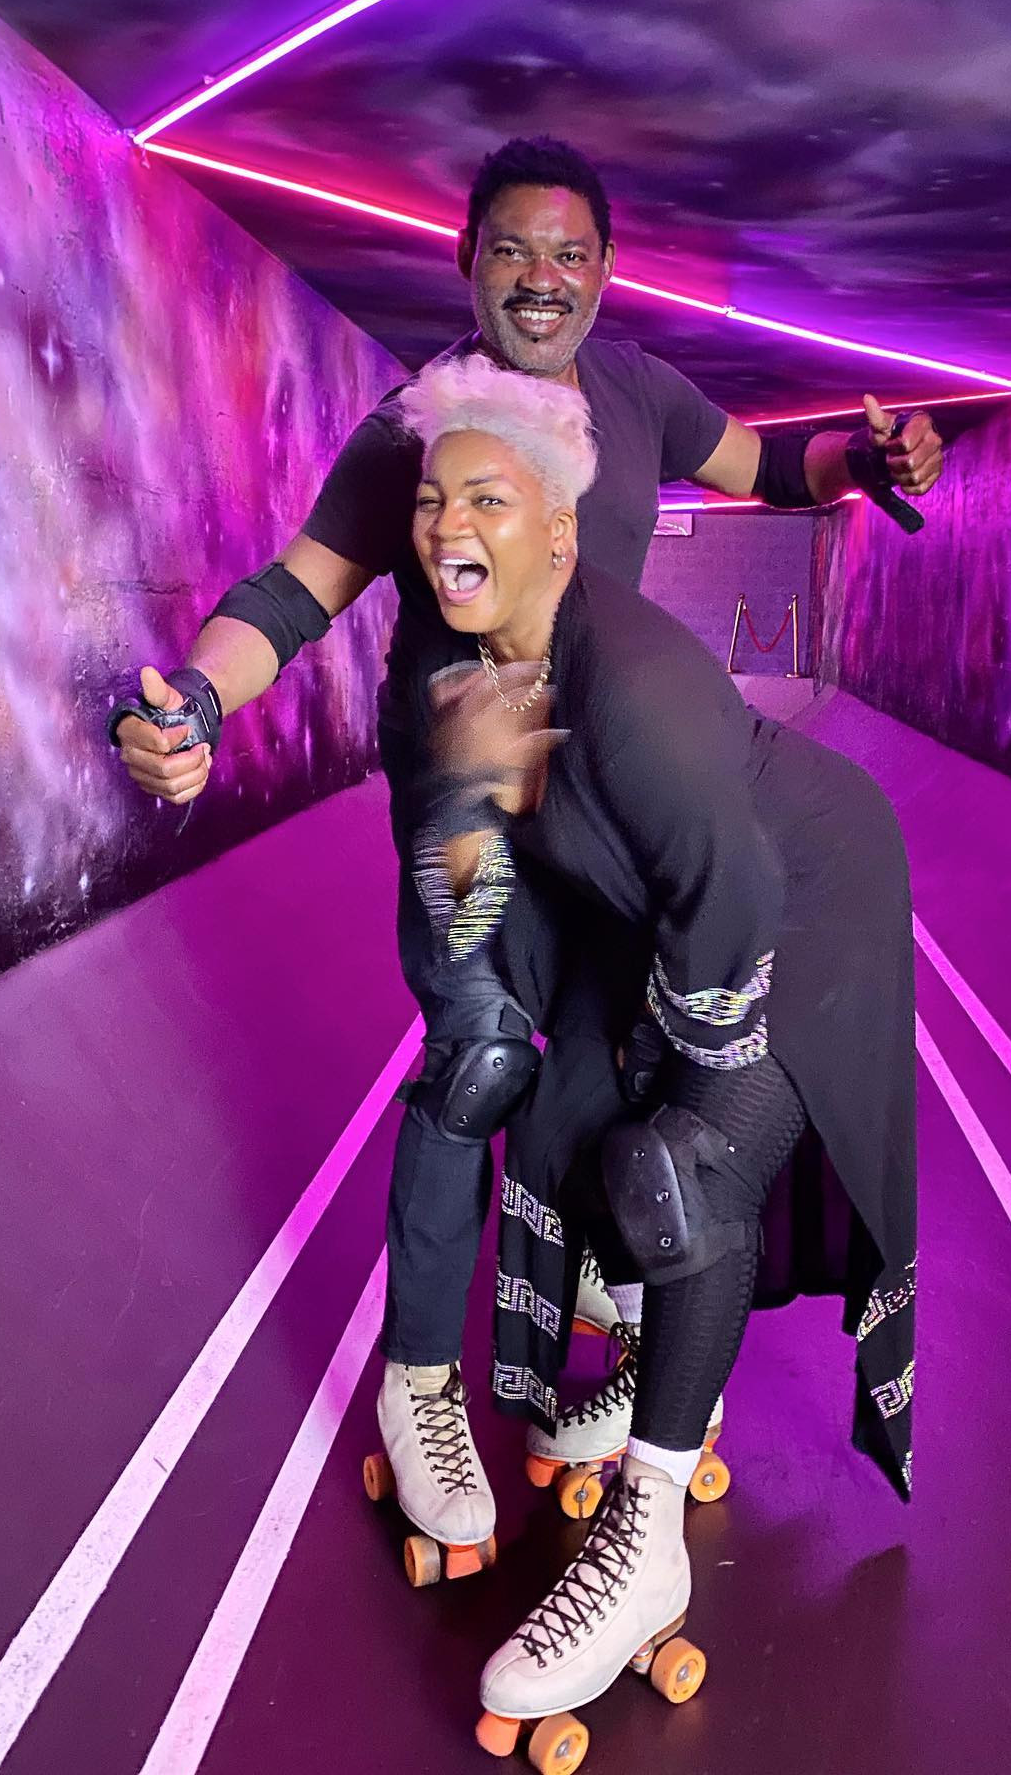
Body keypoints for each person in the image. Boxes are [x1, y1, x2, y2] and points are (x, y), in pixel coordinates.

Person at [107, 137, 936, 1569]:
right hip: (473, 788)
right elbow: (293, 595)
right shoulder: (413, 432)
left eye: (569, 254)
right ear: (467, 263)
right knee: (484, 1054)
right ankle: (421, 1379)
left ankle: (624, 1334)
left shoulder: (641, 392)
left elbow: (775, 465)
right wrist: (190, 699)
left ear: (605, 274)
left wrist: (869, 457)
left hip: (605, 789)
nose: (541, 277)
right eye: (511, 249)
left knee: (632, 1055)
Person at [393, 353, 916, 1741]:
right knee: (562, 1113)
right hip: (675, 901)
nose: (451, 526)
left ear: (562, 530)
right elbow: (483, 873)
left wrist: (669, 1059)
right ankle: (653, 1367)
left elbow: (729, 896)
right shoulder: (482, 672)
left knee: (680, 1167)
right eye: (436, 499)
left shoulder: (630, 686)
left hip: (808, 899)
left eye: (490, 499)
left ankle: (649, 1538)